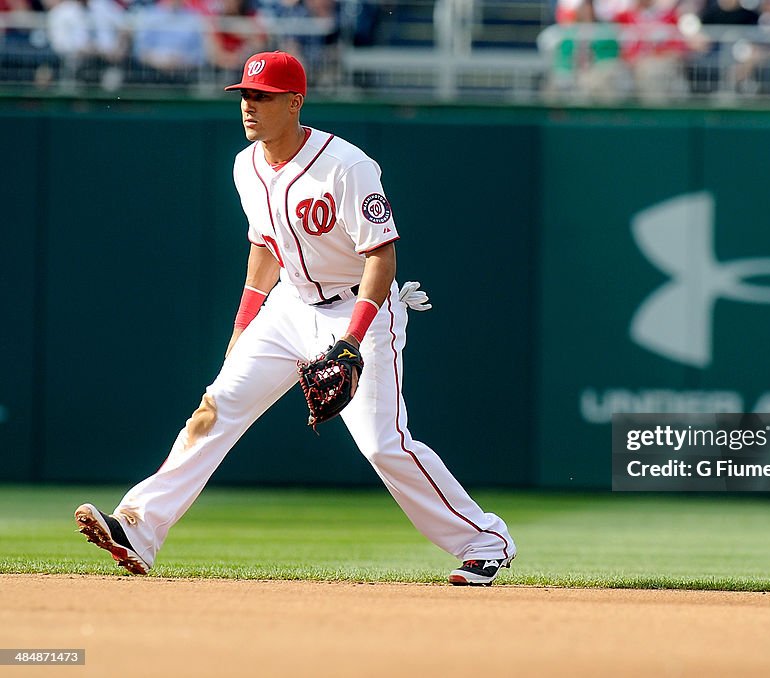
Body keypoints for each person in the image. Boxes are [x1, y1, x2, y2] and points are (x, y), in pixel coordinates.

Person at [74, 50, 517, 587]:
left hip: (360, 307)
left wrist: (352, 341)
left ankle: (484, 539)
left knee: (383, 443)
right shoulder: (246, 165)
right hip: (289, 306)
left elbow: (381, 256)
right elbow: (263, 249)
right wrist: (241, 331)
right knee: (214, 409)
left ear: (295, 102)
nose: (249, 106)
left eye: (261, 96)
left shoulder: (347, 166)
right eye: (244, 96)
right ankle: (138, 530)